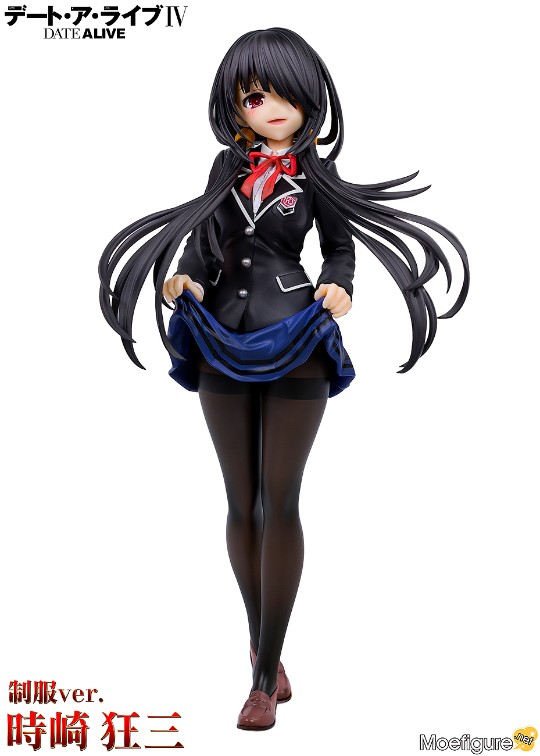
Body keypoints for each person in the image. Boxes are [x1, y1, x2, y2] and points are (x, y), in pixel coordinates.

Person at [98, 27, 469, 731]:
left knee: (281, 499)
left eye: (281, 94)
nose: (268, 107)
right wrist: (186, 280)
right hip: (219, 338)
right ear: (234, 105)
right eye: (252, 96)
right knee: (241, 503)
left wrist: (340, 284)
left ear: (307, 100)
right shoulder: (224, 169)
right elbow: (205, 243)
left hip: (297, 335)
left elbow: (340, 246)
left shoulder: (317, 174)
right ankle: (262, 644)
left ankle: (264, 677)